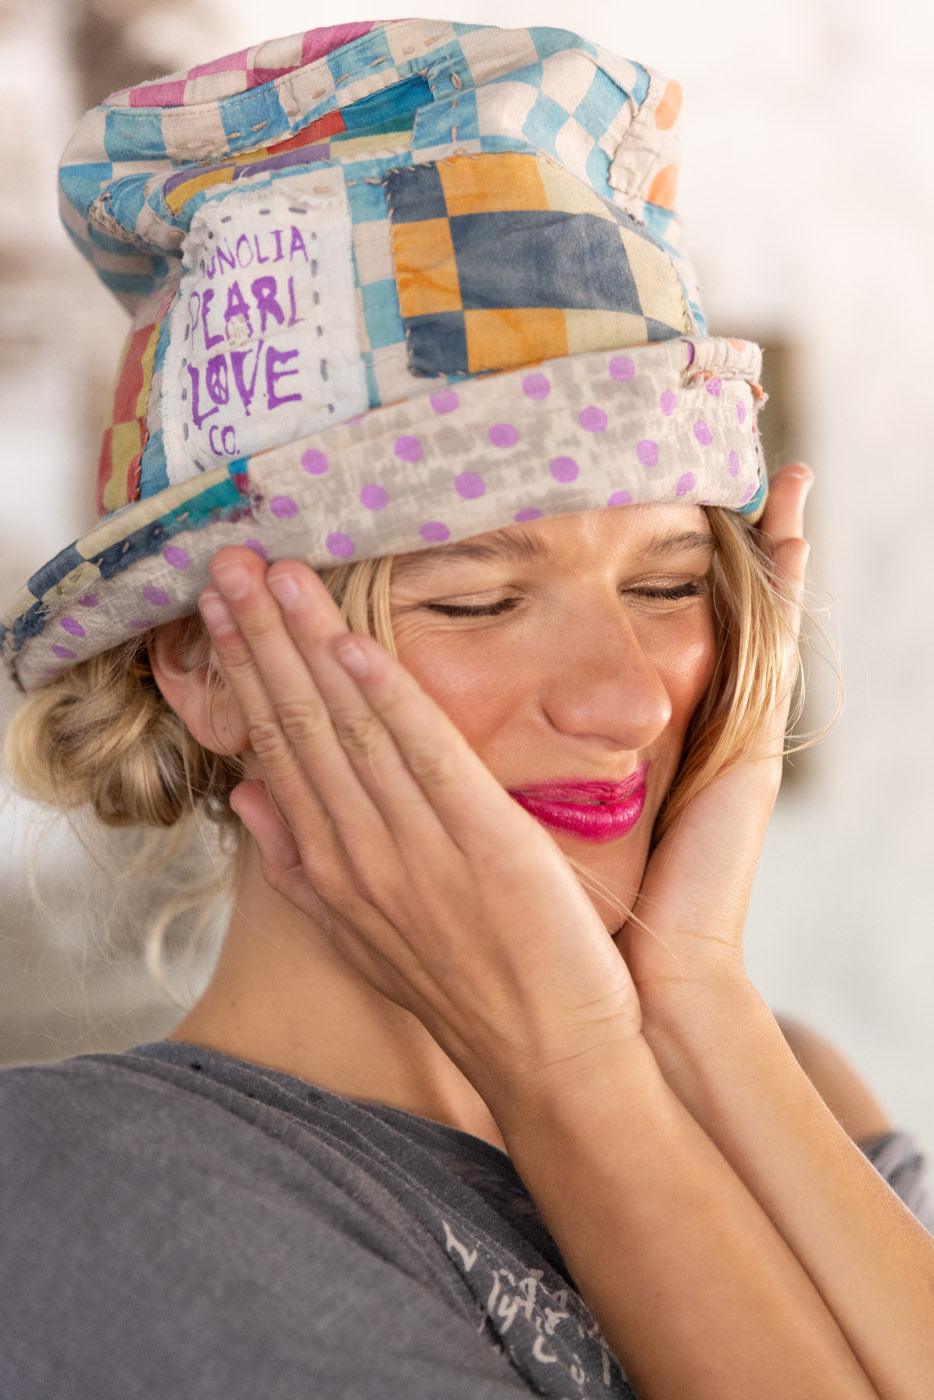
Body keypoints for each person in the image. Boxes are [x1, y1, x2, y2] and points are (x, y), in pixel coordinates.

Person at [1, 17, 932, 1400]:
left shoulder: (780, 1082)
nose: (625, 698)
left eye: (670, 581)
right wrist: (568, 1065)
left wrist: (694, 999)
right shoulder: (95, 1189)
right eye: (476, 601)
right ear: (197, 666)